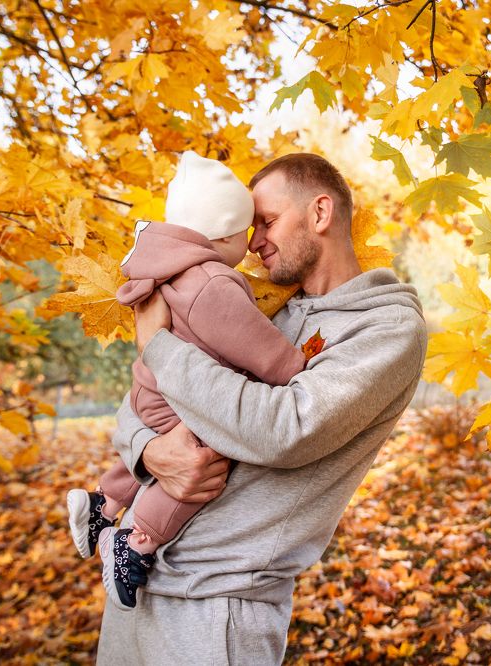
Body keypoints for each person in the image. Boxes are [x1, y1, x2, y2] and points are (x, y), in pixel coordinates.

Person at [96, 153, 428, 665]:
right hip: (136, 579)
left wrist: (157, 345)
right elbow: (142, 400)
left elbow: (283, 429)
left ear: (320, 213)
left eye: (267, 222)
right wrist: (150, 451)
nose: (253, 241)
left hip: (218, 608)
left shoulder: (386, 327)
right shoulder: (262, 307)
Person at [66, 151, 307, 609]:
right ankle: (137, 540)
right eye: (247, 230)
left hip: (149, 391)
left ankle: (104, 501)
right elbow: (261, 351)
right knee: (206, 456)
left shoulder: (168, 268)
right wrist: (296, 367)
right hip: (174, 398)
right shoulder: (213, 281)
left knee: (164, 441)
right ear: (223, 233)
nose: (253, 243)